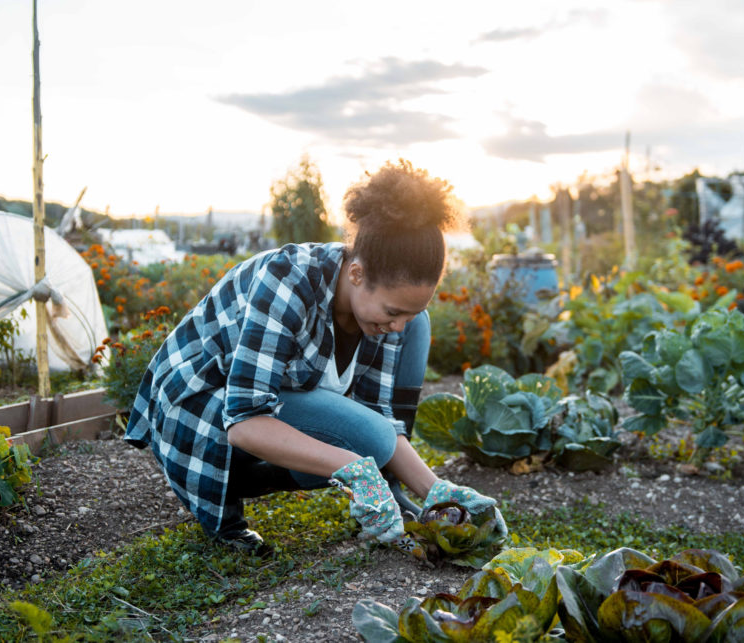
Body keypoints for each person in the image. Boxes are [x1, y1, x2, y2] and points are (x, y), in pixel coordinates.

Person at [124, 160, 507, 556]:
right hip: (202, 420)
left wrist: (439, 493)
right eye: (393, 312)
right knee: (370, 441)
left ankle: (389, 494)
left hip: (272, 421)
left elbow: (377, 417)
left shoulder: (385, 315)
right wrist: (355, 470)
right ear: (356, 274)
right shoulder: (287, 279)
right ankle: (254, 508)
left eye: (405, 312)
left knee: (418, 330)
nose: (397, 326)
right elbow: (244, 423)